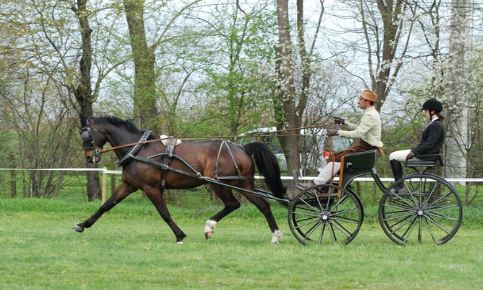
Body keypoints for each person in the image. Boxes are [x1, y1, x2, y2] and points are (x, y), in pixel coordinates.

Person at [300, 89, 383, 187]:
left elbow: (358, 133)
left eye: (360, 99)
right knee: (336, 157)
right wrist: (343, 122)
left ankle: (317, 184)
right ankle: (325, 185)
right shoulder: (369, 113)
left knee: (336, 158)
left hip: (366, 148)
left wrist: (337, 132)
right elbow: (358, 128)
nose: (358, 102)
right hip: (365, 147)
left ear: (367, 101)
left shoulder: (370, 115)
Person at [389, 98, 445, 193]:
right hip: (426, 154)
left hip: (426, 156)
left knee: (393, 156)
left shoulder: (436, 125)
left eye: (426, 111)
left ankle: (399, 186)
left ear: (433, 111)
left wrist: (414, 152)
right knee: (394, 155)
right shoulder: (435, 124)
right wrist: (414, 150)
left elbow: (430, 144)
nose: (424, 113)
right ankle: (399, 186)